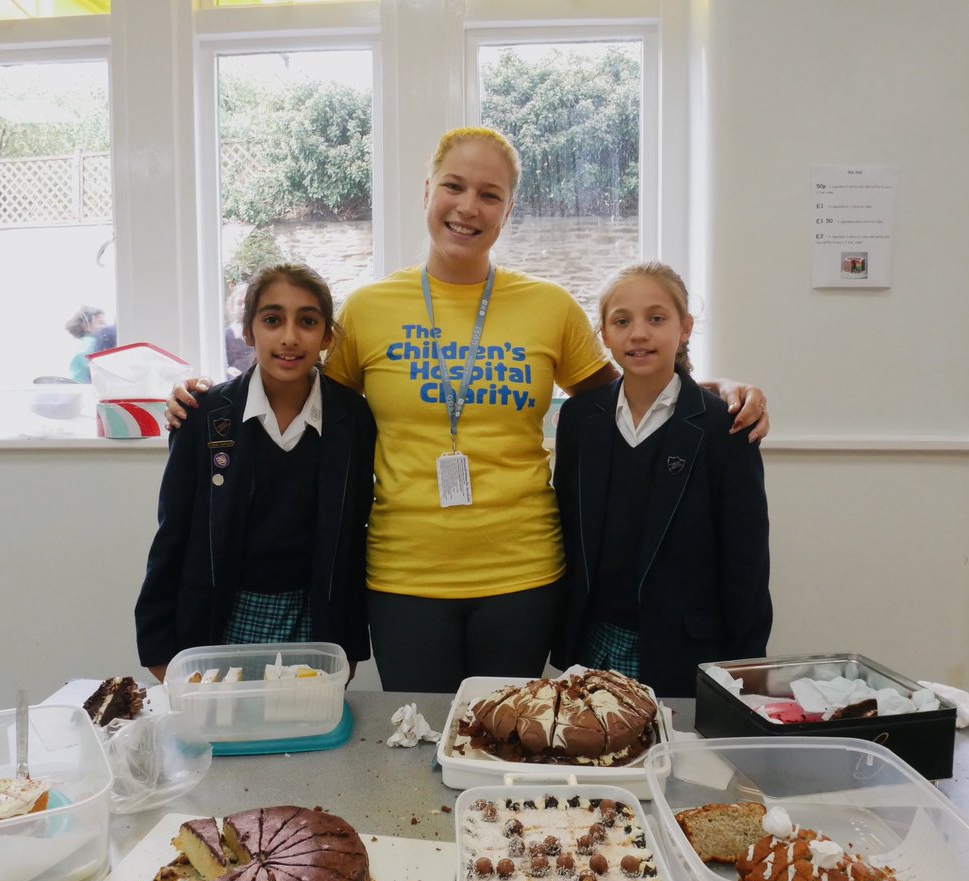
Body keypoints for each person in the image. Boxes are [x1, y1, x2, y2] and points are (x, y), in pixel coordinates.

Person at [166, 127, 769, 693]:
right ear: (428, 192)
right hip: (404, 576)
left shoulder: (549, 307)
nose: (468, 206)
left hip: (525, 575)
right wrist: (207, 400)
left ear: (508, 210)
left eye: (490, 194)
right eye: (454, 186)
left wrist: (710, 391)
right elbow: (302, 399)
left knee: (506, 746)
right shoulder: (370, 308)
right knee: (416, 740)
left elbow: (633, 388)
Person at [135, 263, 376, 683]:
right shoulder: (203, 415)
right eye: (272, 319)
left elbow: (354, 534)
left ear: (326, 336)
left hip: (312, 620)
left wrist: (349, 644)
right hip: (221, 618)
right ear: (248, 332)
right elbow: (171, 533)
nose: (289, 337)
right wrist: (157, 647)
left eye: (307, 321)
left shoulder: (352, 418)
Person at [550, 262, 772, 697]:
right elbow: (570, 531)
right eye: (622, 321)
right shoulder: (580, 419)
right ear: (604, 335)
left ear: (685, 328)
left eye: (656, 318)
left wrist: (746, 669)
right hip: (594, 640)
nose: (638, 333)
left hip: (684, 649)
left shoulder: (723, 426)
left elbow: (746, 561)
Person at [64, 305, 105, 383]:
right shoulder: (90, 344)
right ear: (86, 326)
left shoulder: (84, 343)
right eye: (101, 323)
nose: (105, 326)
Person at [224, 282, 257, 377]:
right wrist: (228, 370)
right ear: (232, 307)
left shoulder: (260, 334)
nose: (243, 307)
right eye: (239, 303)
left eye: (247, 303)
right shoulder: (226, 335)